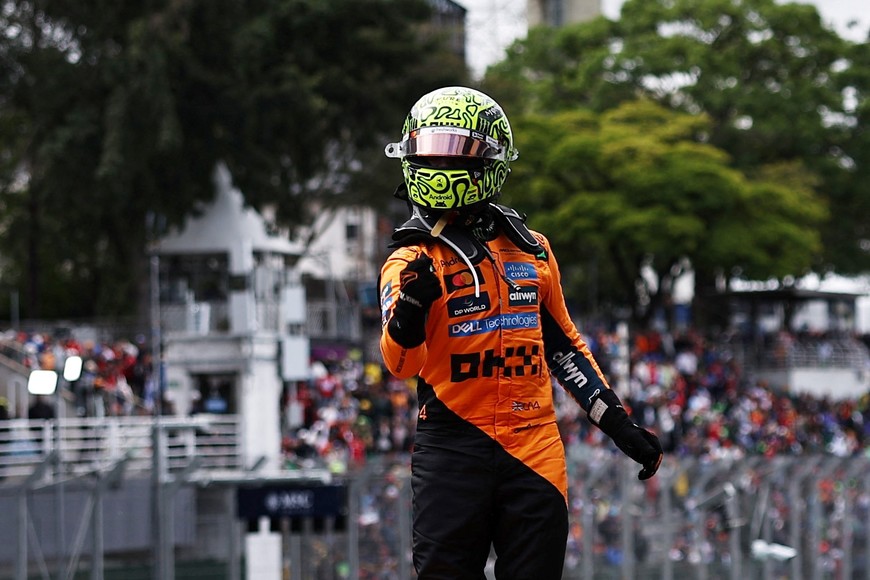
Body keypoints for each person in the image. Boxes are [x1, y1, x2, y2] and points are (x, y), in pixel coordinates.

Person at [378, 86, 663, 579]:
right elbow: (400, 365)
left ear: (491, 159)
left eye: (458, 150)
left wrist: (619, 424)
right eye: (431, 148)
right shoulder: (408, 260)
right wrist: (410, 309)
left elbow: (564, 347)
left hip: (533, 445)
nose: (442, 162)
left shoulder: (533, 249)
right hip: (452, 447)